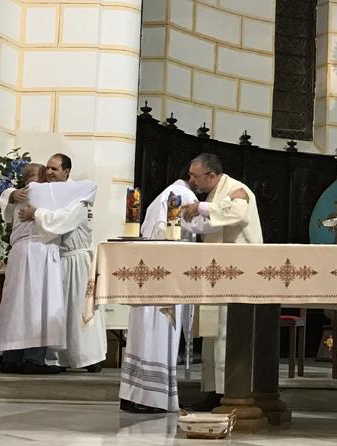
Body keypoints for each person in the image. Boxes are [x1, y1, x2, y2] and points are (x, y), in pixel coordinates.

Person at [179, 153, 263, 410]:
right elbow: (213, 227)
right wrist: (188, 224)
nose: (191, 180)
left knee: (227, 332)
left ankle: (231, 392)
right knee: (213, 333)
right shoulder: (216, 193)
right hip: (219, 273)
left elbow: (238, 215)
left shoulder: (237, 189)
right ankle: (215, 391)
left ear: (212, 176)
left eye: (195, 175)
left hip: (239, 272)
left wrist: (201, 208)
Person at [14, 154, 106, 372]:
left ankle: (88, 357)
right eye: (47, 168)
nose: (49, 172)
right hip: (56, 258)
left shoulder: (77, 195)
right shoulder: (46, 193)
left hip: (76, 259)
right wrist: (12, 195)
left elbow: (66, 218)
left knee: (78, 309)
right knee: (57, 311)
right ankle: (58, 358)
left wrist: (37, 214)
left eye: (54, 169)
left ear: (66, 172)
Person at [119, 172, 199, 414]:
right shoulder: (182, 195)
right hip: (167, 276)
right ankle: (152, 398)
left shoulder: (163, 195)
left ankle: (132, 395)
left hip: (152, 272)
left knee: (143, 336)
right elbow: (198, 226)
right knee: (156, 337)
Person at [0, 164, 65, 374]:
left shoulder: (17, 196)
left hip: (18, 252)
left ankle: (11, 358)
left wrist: (11, 192)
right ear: (42, 176)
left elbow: (5, 208)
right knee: (39, 306)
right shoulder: (45, 192)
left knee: (16, 305)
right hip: (39, 251)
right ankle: (33, 359)